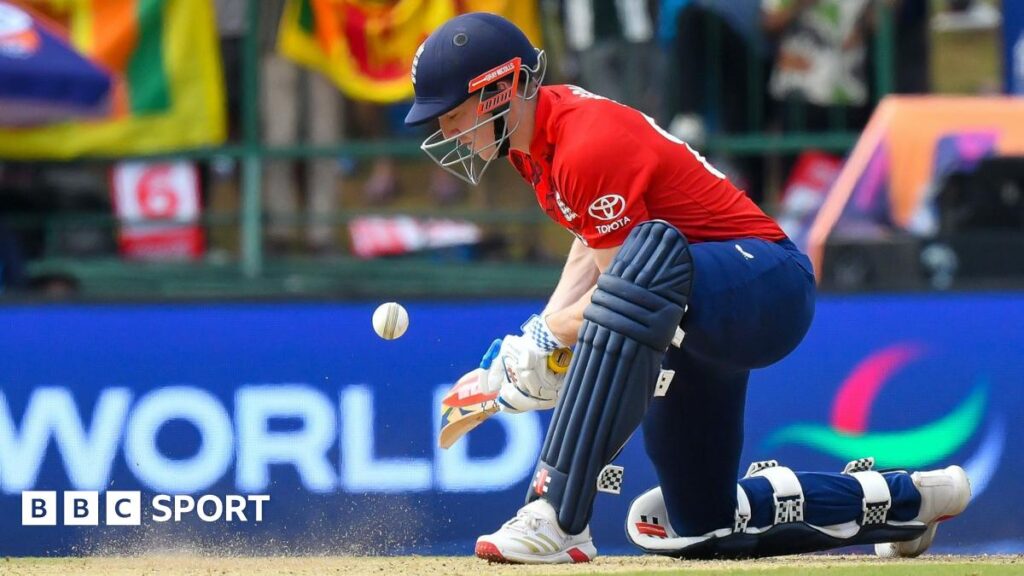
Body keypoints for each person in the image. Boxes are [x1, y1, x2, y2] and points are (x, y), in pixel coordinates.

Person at [405, 13, 971, 564]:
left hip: (764, 286)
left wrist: (544, 340)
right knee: (699, 524)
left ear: (501, 88)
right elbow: (594, 247)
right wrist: (536, 340)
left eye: (452, 114)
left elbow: (623, 275)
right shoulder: (541, 145)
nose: (445, 130)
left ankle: (554, 515)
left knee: (648, 259)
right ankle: (912, 499)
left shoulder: (584, 141)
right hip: (690, 309)